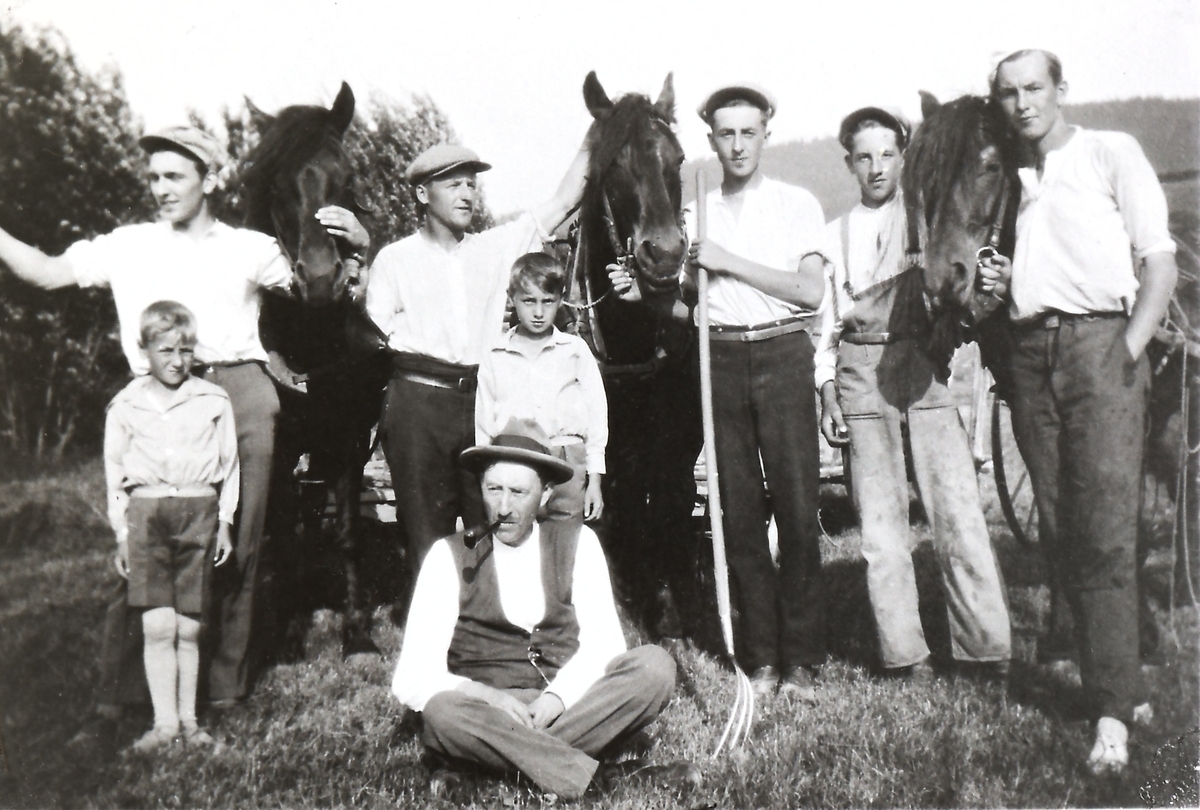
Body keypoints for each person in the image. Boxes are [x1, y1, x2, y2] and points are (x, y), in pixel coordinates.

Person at [0, 124, 370, 714]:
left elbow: (320, 291)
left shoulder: (250, 248)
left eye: (175, 176)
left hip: (241, 396)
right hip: (157, 401)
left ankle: (224, 687)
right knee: (145, 543)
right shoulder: (127, 245)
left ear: (210, 179)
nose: (161, 188)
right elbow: (45, 272)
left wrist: (357, 241)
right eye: (154, 177)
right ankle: (117, 695)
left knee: (240, 547)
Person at [978, 49, 1178, 775]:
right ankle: (1121, 672)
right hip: (1030, 354)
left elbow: (1158, 261)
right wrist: (999, 281)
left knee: (1103, 530)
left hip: (1102, 347)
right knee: (1063, 529)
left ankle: (1111, 714)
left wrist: (1126, 351)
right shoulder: (1007, 178)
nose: (1022, 102)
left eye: (1035, 87)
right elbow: (1020, 278)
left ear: (1061, 90)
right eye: (1008, 92)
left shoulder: (1108, 153)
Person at [390, 420, 698, 800]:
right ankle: (607, 778)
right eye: (493, 489)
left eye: (518, 492)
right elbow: (411, 677)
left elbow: (605, 647)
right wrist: (490, 698)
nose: (503, 506)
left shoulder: (578, 543)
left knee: (655, 667)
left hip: (567, 705)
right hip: (489, 711)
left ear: (546, 495)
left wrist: (556, 700)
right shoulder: (449, 555)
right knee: (441, 713)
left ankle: (488, 762)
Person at [813, 107, 1012, 681]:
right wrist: (827, 389)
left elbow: (969, 297)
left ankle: (986, 649)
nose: (877, 168)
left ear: (905, 157)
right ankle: (906, 655)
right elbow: (825, 330)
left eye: (887, 154)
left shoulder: (929, 220)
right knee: (880, 529)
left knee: (957, 512)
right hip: (860, 370)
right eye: (863, 157)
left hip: (923, 365)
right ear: (849, 162)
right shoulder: (835, 236)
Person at [366, 141, 589, 578]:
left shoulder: (494, 248)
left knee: (493, 519)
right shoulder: (394, 260)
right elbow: (374, 341)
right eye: (454, 184)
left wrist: (597, 134)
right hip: (417, 402)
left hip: (482, 401)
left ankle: (494, 628)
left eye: (472, 184)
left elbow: (563, 200)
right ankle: (433, 631)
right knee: (425, 532)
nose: (467, 194)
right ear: (422, 194)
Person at [683, 84, 827, 701]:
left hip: (783, 351)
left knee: (796, 513)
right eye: (725, 133)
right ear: (711, 139)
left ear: (767, 132)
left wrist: (727, 260)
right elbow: (691, 296)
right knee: (738, 516)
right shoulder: (697, 210)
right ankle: (762, 659)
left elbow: (810, 292)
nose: (737, 145)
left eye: (748, 132)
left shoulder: (797, 204)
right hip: (719, 357)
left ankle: (801, 659)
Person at [104, 301, 238, 751]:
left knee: (189, 626)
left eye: (185, 350)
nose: (177, 361)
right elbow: (114, 475)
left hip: (199, 512)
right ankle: (164, 724)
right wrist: (122, 534)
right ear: (145, 350)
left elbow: (230, 467)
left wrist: (224, 521)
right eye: (165, 350)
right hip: (146, 517)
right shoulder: (125, 404)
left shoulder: (213, 400)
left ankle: (190, 722)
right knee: (157, 625)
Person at [476, 252, 607, 523]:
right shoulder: (495, 354)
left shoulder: (575, 350)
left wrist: (594, 481)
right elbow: (484, 426)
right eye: (529, 301)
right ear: (511, 299)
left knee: (565, 545)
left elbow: (596, 417)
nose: (538, 312)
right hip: (515, 461)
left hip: (568, 463)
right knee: (515, 541)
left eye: (548, 302)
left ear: (560, 300)